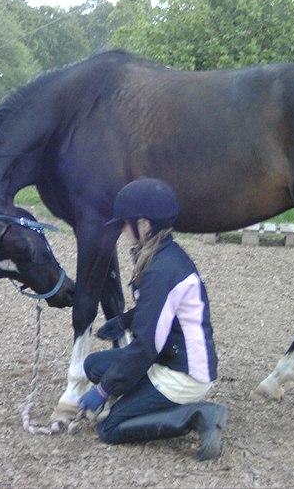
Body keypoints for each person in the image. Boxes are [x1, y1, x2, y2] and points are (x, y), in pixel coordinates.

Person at [78, 177, 228, 461]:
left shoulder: (161, 270)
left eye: (124, 222)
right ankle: (145, 399)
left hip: (185, 373)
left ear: (144, 224)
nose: (122, 229)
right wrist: (123, 322)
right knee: (93, 365)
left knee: (110, 428)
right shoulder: (161, 254)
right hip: (166, 356)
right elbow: (157, 311)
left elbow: (146, 346)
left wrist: (103, 390)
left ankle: (197, 415)